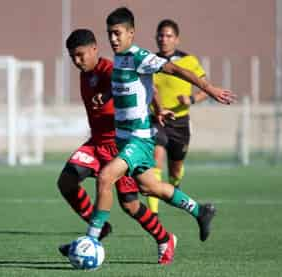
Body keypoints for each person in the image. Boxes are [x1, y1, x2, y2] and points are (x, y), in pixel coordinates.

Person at [74, 7, 235, 252]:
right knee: (150, 187)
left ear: (131, 33)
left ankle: (91, 240)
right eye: (110, 34)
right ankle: (200, 211)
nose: (113, 39)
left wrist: (209, 89)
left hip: (138, 140)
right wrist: (106, 95)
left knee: (106, 177)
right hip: (124, 139)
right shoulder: (121, 58)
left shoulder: (140, 56)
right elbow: (135, 87)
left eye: (117, 33)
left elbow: (178, 70)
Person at [58, 28, 177, 264]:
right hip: (96, 143)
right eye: (72, 57)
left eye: (81, 55)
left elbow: (149, 88)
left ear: (94, 49)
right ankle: (97, 231)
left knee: (131, 205)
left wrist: (159, 110)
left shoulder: (110, 69)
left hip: (120, 146)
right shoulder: (86, 73)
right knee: (66, 181)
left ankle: (165, 238)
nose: (77, 61)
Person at [147, 19, 209, 215]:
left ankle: (175, 186)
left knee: (175, 168)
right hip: (156, 119)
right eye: (161, 35)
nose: (163, 39)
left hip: (180, 122)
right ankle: (153, 214)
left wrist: (191, 99)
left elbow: (205, 89)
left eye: (168, 36)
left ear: (177, 39)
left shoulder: (189, 61)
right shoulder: (150, 62)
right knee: (156, 158)